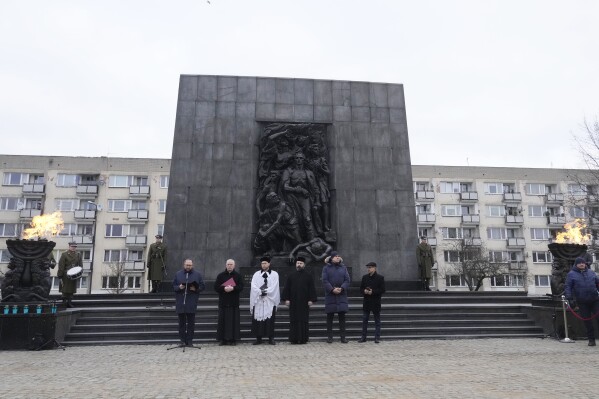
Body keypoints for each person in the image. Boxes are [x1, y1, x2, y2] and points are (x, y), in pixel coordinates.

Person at [282, 256, 317, 344]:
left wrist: (311, 299)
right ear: (295, 264)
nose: (299, 265)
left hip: (304, 302)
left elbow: (311, 289)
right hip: (293, 302)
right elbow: (287, 288)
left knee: (303, 320)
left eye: (301, 263)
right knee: (294, 319)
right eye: (297, 263)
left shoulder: (308, 276)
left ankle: (303, 338)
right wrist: (286, 299)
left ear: (304, 265)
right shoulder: (291, 276)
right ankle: (293, 338)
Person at [565, 256, 599, 346]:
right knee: (587, 321)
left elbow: (597, 283)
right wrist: (569, 298)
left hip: (595, 299)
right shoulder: (571, 274)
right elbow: (568, 287)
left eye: (583, 263)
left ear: (585, 264)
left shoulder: (591, 272)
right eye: (579, 263)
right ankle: (591, 339)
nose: (581, 264)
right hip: (582, 301)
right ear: (576, 264)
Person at [172, 258, 205, 347]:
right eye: (187, 265)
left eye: (190, 265)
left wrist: (196, 289)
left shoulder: (197, 275)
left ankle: (189, 341)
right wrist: (179, 287)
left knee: (191, 323)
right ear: (184, 265)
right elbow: (173, 286)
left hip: (191, 302)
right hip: (181, 302)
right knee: (181, 323)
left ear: (192, 265)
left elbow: (202, 286)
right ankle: (182, 341)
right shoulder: (178, 274)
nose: (188, 267)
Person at [249, 256, 280, 345]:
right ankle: (258, 338)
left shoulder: (274, 274)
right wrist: (260, 292)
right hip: (259, 300)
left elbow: (275, 286)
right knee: (258, 319)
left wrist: (266, 291)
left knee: (270, 319)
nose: (263, 265)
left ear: (269, 264)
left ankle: (271, 338)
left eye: (265, 263)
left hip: (269, 300)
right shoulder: (256, 274)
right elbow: (253, 285)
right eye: (262, 263)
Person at [214, 259, 244, 346]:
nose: (229, 266)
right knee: (223, 322)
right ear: (225, 265)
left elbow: (241, 286)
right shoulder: (220, 276)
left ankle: (233, 339)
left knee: (233, 322)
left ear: (234, 266)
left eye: (231, 264)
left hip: (233, 302)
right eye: (228, 264)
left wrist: (233, 288)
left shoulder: (238, 276)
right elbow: (216, 287)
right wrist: (224, 288)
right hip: (223, 302)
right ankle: (223, 339)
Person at [322, 251, 350, 343]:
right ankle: (330, 337)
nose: (338, 257)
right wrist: (332, 289)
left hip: (341, 295)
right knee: (330, 317)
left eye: (339, 256)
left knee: (342, 317)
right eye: (336, 256)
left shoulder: (344, 268)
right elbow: (325, 280)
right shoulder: (326, 268)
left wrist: (341, 288)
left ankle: (343, 337)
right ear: (332, 258)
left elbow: (347, 280)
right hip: (330, 295)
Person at [358, 262, 386, 343]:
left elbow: (382, 290)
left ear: (374, 268)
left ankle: (377, 337)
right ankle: (363, 337)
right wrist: (364, 291)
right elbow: (361, 289)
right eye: (368, 267)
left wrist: (372, 292)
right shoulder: (364, 277)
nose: (368, 269)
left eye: (370, 267)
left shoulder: (380, 278)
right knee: (364, 320)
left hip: (375, 302)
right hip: (367, 302)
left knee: (377, 321)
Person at [57, 242, 82, 308]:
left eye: (75, 247)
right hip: (66, 275)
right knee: (64, 289)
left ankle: (69, 302)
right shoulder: (64, 254)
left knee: (71, 290)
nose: (74, 248)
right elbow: (61, 265)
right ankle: (64, 303)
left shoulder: (78, 254)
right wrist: (60, 274)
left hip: (74, 274)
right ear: (69, 247)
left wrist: (80, 273)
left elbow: (80, 265)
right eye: (72, 246)